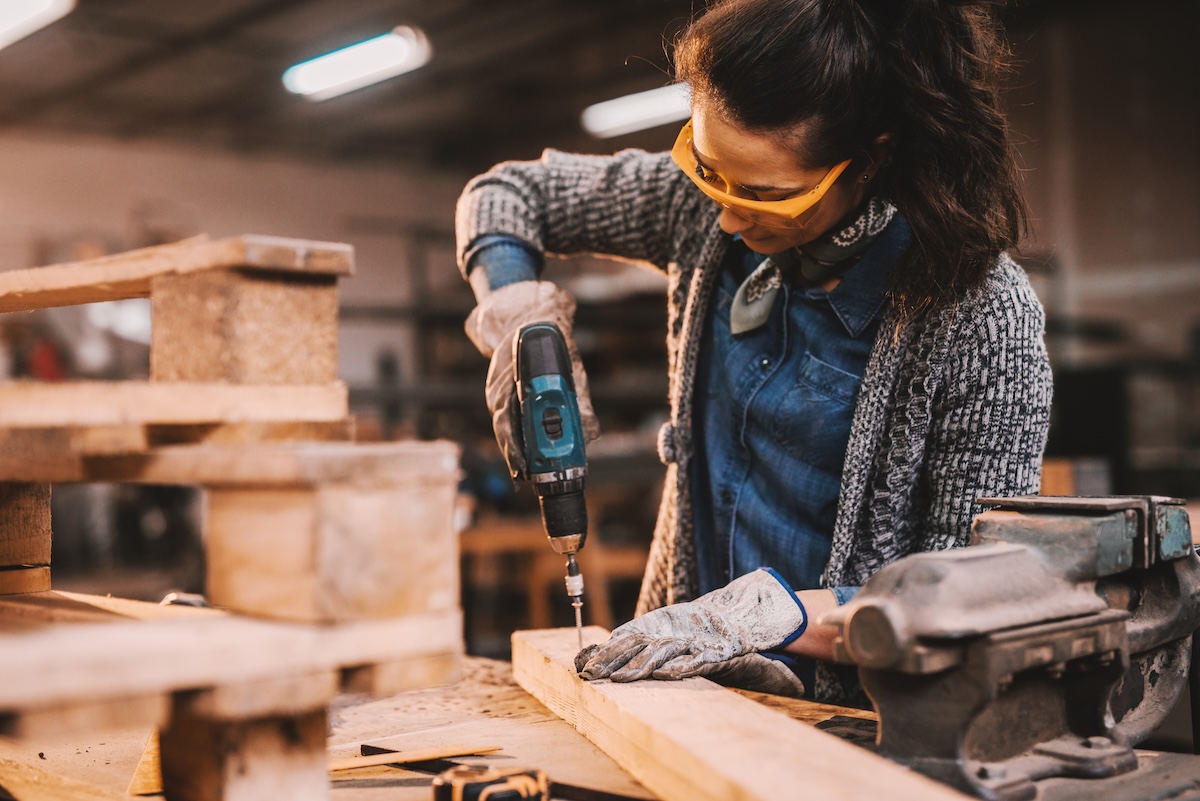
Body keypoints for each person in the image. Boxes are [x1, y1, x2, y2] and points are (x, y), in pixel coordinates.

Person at [456, 0, 1052, 704]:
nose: (728, 217)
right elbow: (505, 193)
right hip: (679, 699)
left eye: (768, 195)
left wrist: (778, 616)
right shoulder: (698, 211)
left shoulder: (979, 314)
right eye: (710, 171)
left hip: (857, 728)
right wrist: (521, 317)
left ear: (872, 157)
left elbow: (975, 597)